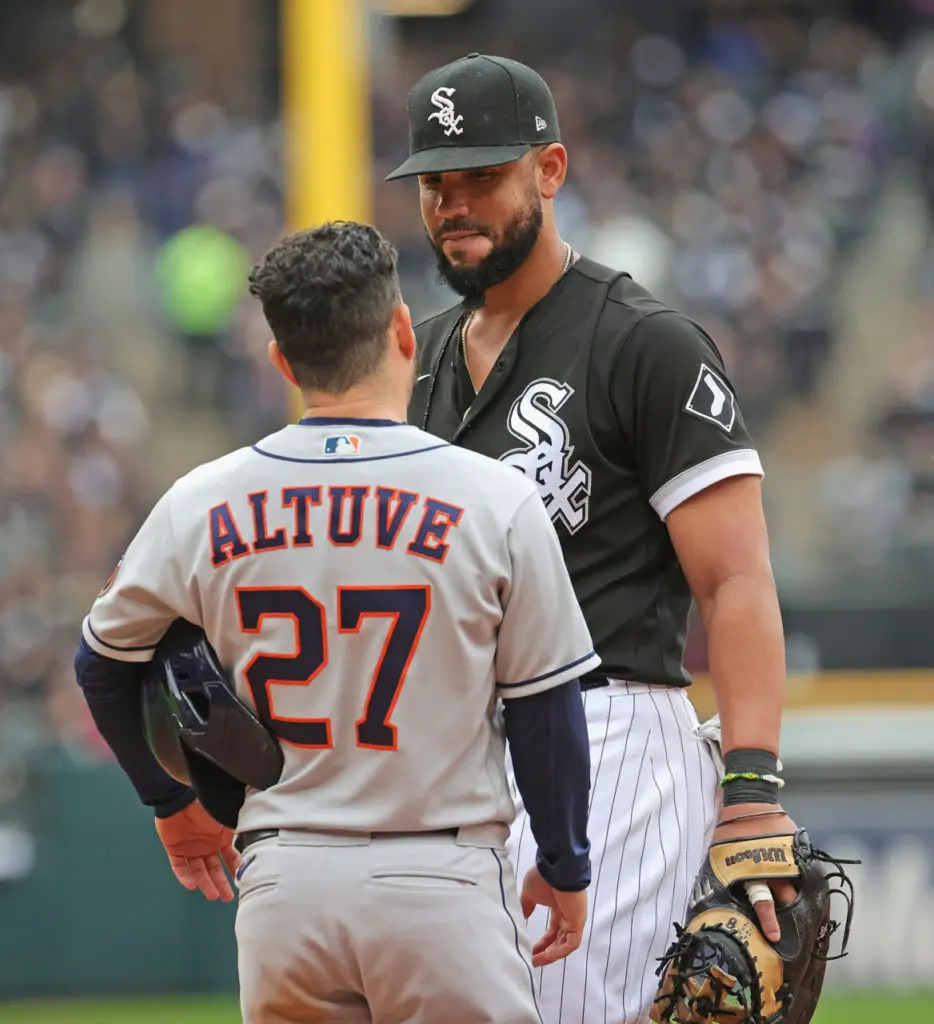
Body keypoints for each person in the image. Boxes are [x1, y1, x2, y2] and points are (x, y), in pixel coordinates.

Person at [74, 221, 601, 1023]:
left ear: (282, 363)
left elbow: (102, 663)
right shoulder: (492, 498)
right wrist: (563, 863)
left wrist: (169, 803)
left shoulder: (201, 499)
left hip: (286, 886)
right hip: (439, 879)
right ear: (401, 331)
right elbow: (543, 709)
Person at [388, 54, 797, 1023]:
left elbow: (735, 580)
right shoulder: (420, 359)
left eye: (481, 176)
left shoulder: (643, 343)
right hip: (451, 751)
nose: (453, 203)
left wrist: (749, 784)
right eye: (435, 182)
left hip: (604, 729)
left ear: (549, 169)